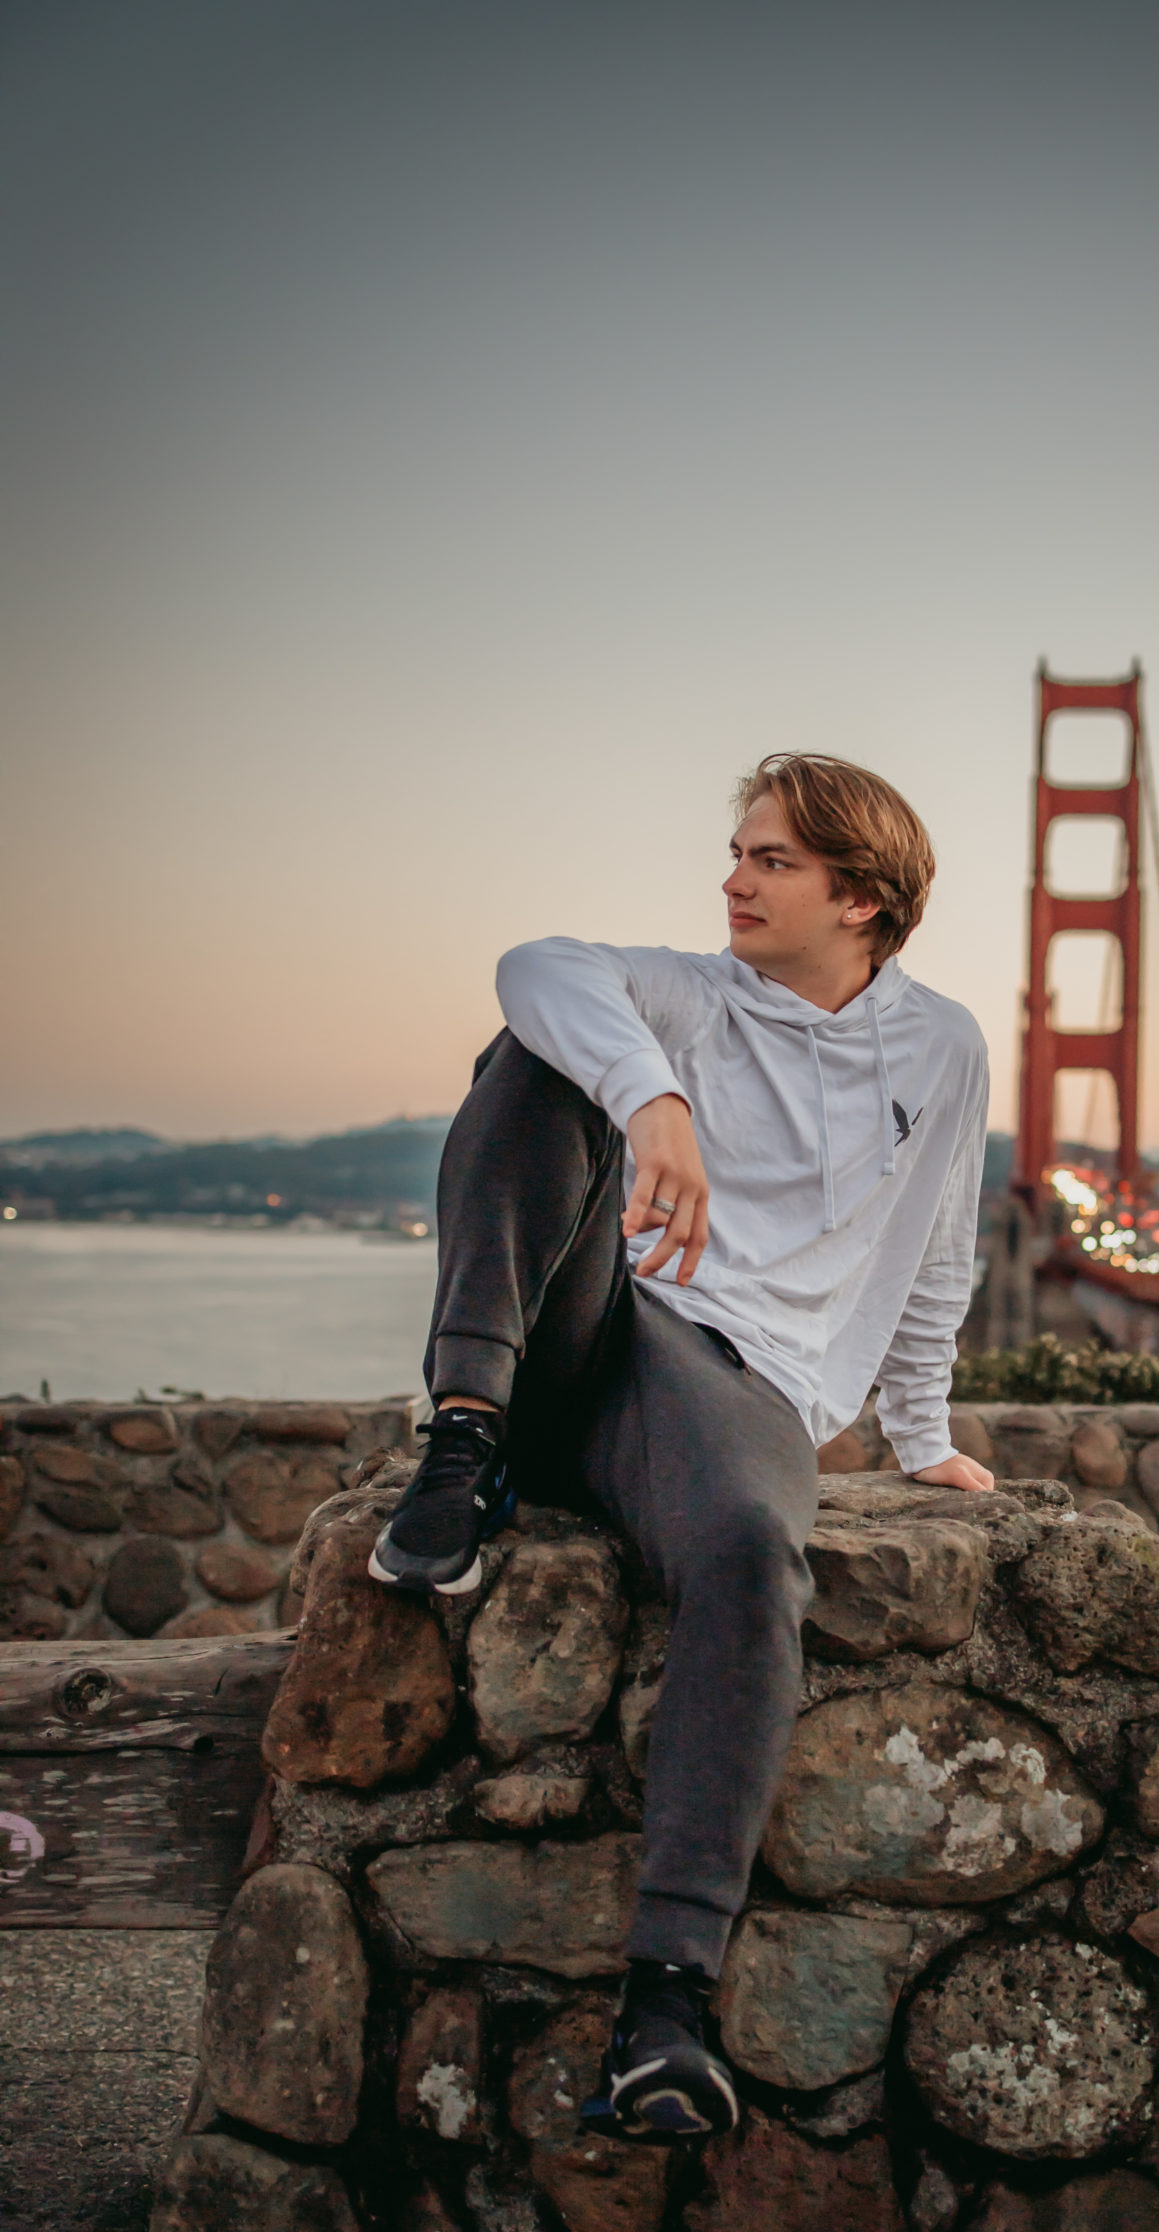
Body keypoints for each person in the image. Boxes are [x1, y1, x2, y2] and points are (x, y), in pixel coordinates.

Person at [370, 752, 993, 2136]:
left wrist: (921, 1432)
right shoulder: (690, 994)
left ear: (865, 897)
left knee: (752, 1552)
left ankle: (666, 2005)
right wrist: (651, 1098)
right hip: (584, 1330)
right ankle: (462, 1441)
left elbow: (939, 1248)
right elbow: (534, 963)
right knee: (539, 1051)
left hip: (732, 1385)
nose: (735, 877)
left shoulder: (942, 1048)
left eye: (773, 859)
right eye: (739, 850)